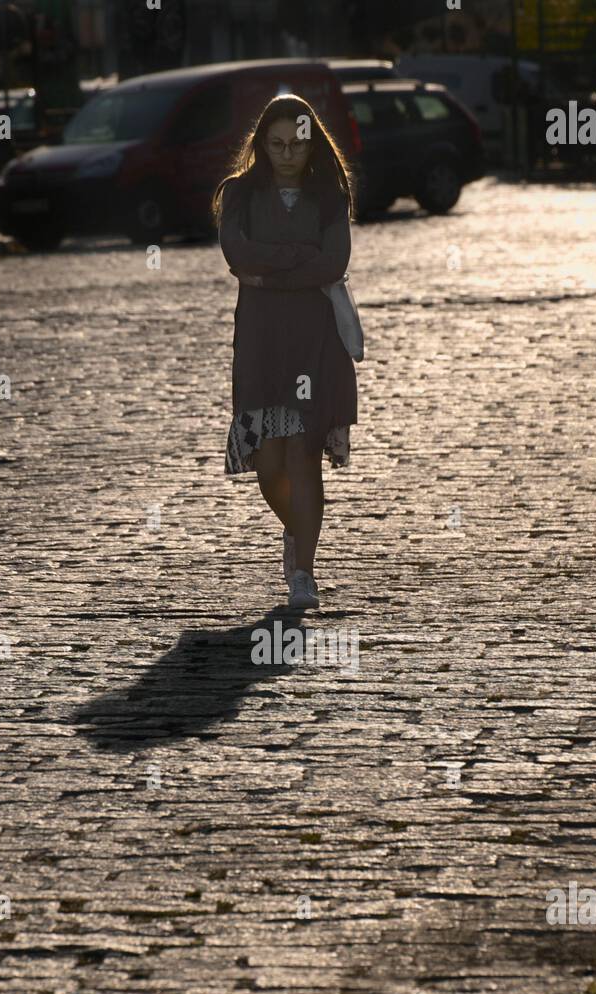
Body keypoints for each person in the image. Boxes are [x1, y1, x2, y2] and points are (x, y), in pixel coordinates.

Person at [212, 95, 358, 611]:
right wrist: (301, 258)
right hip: (260, 341)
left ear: (311, 140)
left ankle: (304, 573)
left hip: (315, 341)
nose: (287, 153)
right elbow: (237, 254)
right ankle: (298, 533)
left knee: (303, 457)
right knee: (268, 464)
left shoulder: (329, 195)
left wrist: (271, 271)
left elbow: (334, 260)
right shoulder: (240, 194)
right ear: (262, 145)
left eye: (296, 143)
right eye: (276, 144)